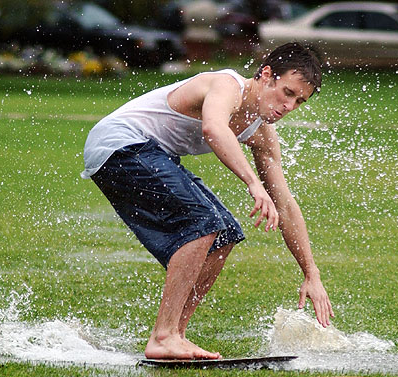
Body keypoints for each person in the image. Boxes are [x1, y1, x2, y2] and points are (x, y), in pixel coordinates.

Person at [82, 42, 334, 360]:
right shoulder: (227, 85)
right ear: (267, 75)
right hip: (120, 141)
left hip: (150, 153)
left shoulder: (262, 133)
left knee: (224, 234)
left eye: (300, 101)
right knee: (203, 222)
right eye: (287, 92)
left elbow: (283, 204)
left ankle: (174, 335)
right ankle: (163, 336)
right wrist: (253, 183)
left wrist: (311, 273)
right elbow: (214, 128)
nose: (290, 106)